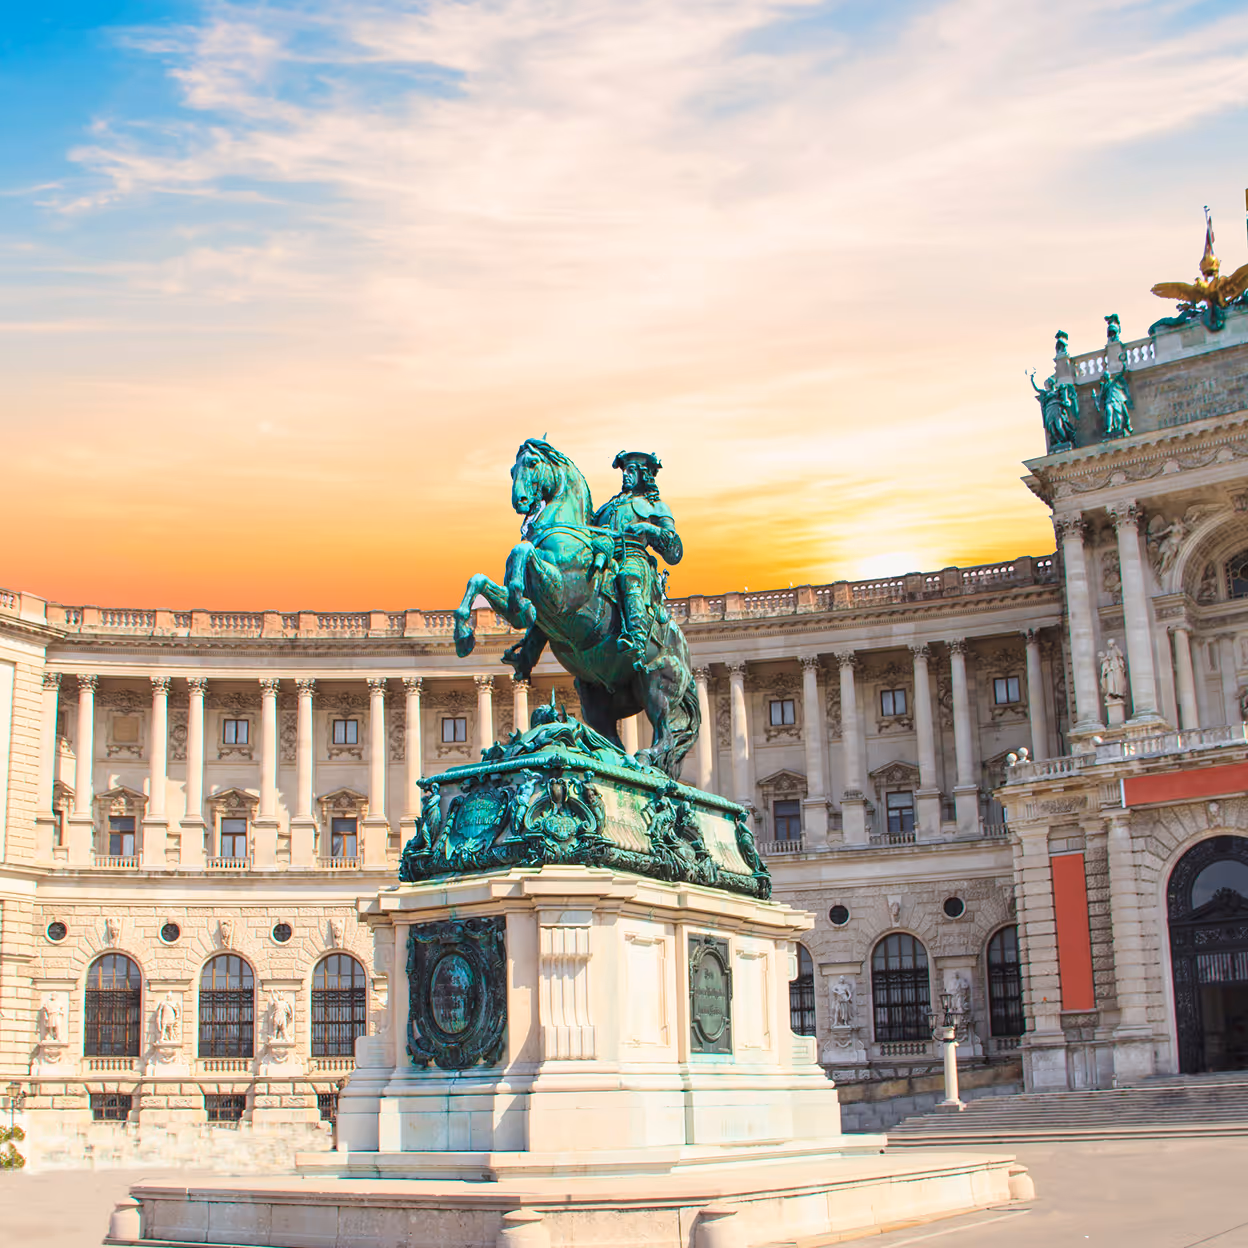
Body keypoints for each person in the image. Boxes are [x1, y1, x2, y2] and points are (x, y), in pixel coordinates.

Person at [591, 451, 683, 667]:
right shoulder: (608, 507)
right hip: (605, 556)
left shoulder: (656, 507)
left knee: (628, 575)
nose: (626, 476)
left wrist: (648, 528)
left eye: (631, 471)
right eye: (624, 471)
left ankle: (637, 638)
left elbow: (674, 550)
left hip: (635, 557)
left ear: (644, 475)